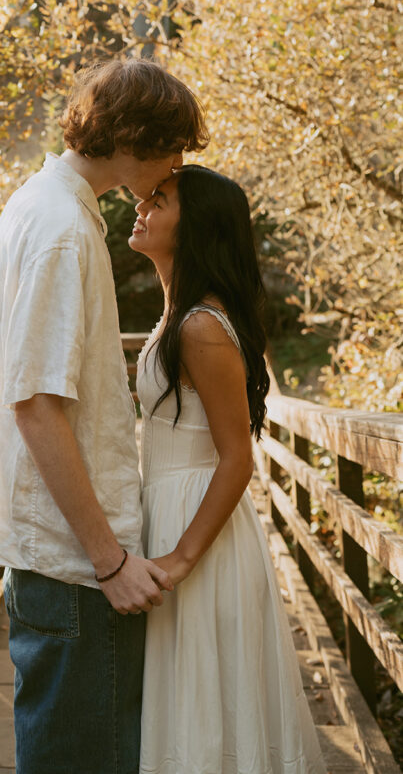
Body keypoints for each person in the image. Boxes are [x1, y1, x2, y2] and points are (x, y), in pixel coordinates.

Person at [0, 57, 208, 774]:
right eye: (173, 145)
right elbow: (35, 406)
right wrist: (110, 561)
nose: (177, 164)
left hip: (60, 561)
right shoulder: (62, 228)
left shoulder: (44, 205)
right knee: (87, 758)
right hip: (75, 568)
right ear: (134, 135)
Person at [129, 164, 326, 774]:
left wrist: (182, 557)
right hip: (167, 511)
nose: (141, 206)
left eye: (158, 200)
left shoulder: (200, 328)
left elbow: (237, 457)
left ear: (196, 228)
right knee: (186, 696)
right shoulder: (177, 318)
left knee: (204, 696)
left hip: (197, 527)